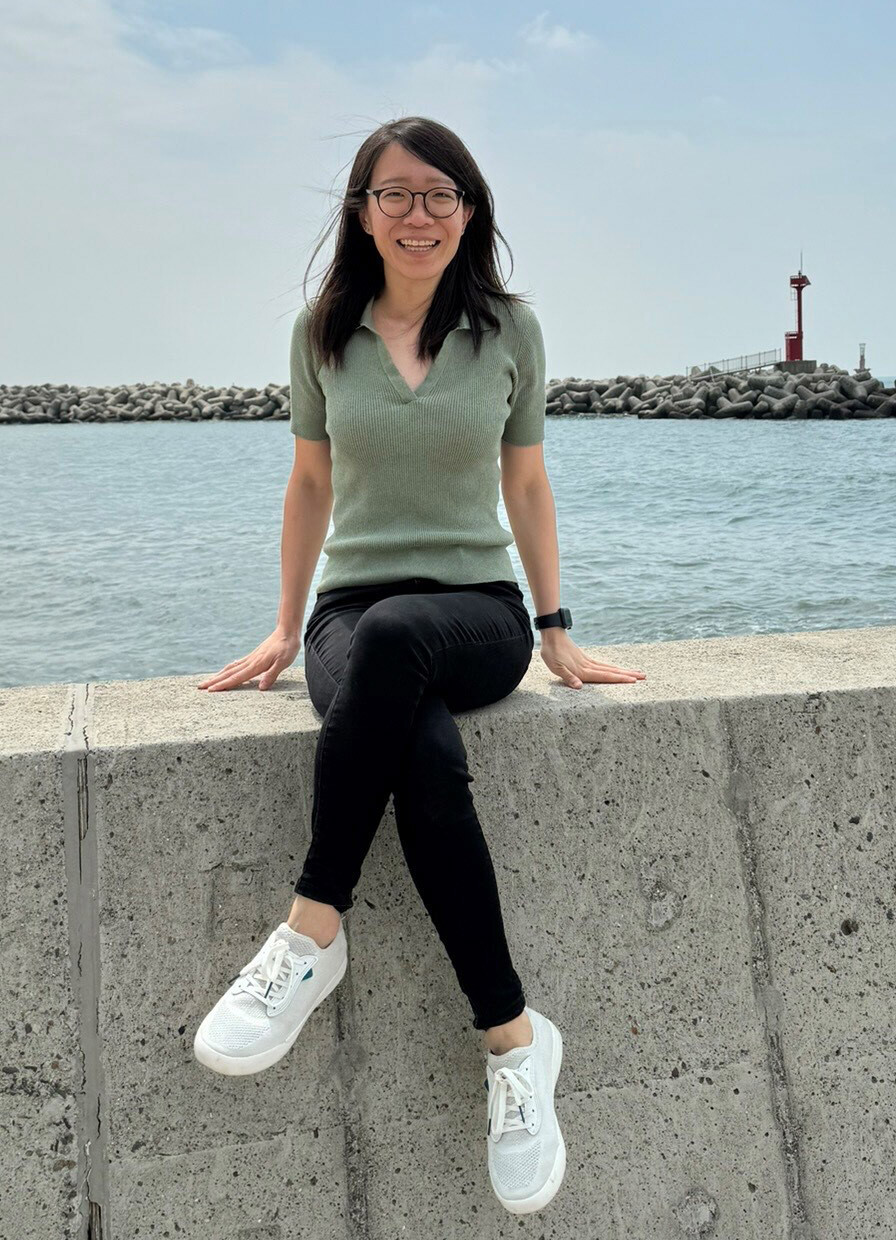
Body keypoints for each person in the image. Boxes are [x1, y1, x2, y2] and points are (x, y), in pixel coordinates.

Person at [191, 116, 646, 1215]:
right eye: (395, 195)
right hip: (348, 610)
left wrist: (556, 627)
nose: (419, 215)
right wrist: (280, 623)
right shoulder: (321, 332)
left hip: (476, 612)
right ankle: (513, 1045)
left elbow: (524, 484)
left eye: (441, 195)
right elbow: (309, 486)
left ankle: (309, 932)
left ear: (470, 212)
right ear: (359, 212)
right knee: (423, 757)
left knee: (402, 643)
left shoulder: (508, 332)